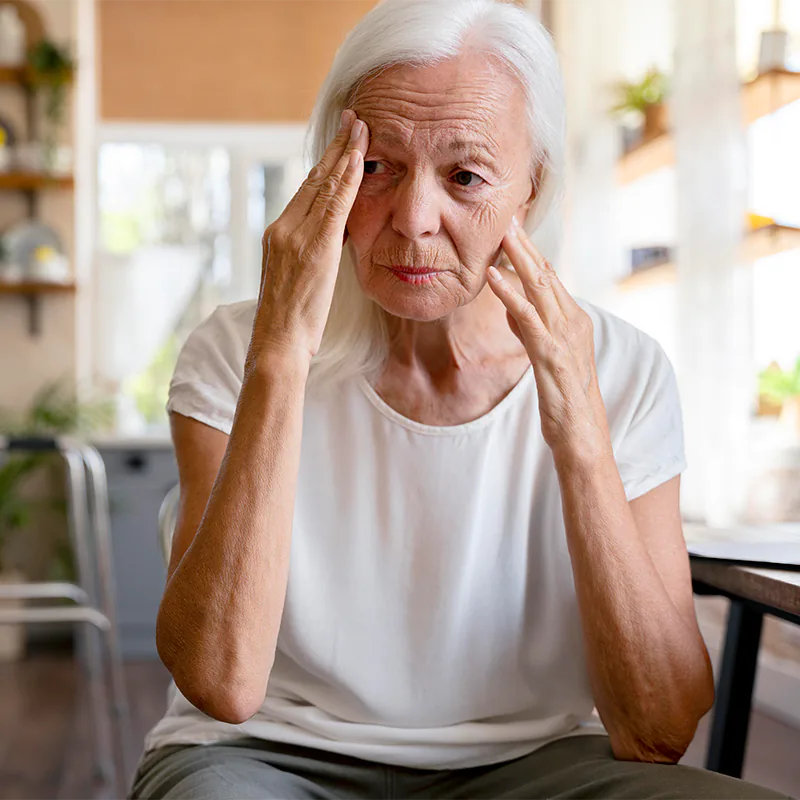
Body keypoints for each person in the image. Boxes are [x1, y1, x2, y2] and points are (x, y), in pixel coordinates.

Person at [129, 1, 789, 798]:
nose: (413, 221)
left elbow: (658, 726)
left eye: (466, 175)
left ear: (531, 188)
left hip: (534, 763)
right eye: (376, 167)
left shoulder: (624, 370)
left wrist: (579, 423)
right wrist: (280, 358)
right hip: (262, 753)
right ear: (326, 170)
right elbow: (222, 683)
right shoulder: (238, 350)